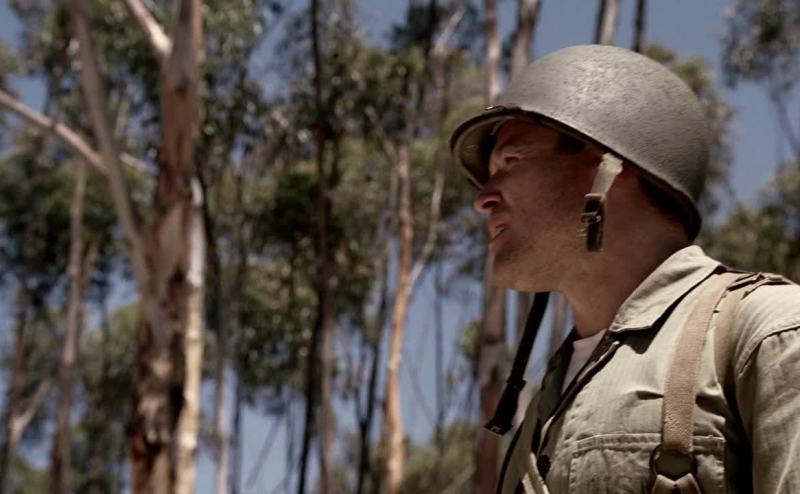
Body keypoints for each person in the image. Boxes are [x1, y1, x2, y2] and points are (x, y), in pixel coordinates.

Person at [449, 44, 800, 493]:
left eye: (511, 162)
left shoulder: (767, 333)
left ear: (609, 167)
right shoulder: (544, 405)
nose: (484, 198)